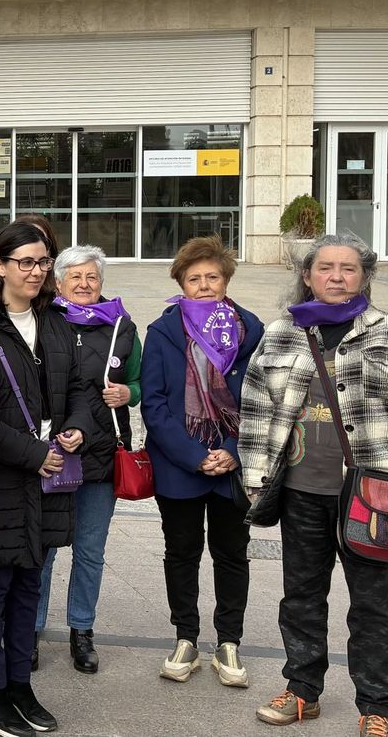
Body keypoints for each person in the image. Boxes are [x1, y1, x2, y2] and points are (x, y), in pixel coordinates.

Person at [242, 234, 388, 737]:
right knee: (300, 596)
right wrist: (254, 476)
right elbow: (255, 409)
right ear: (307, 276)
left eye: (348, 268)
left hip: (372, 497)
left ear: (365, 277)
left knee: (371, 602)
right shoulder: (281, 333)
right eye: (326, 268)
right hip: (301, 491)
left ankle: (376, 706)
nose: (336, 277)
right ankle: (302, 690)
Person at [0, 221, 95, 737]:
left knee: (29, 585)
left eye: (43, 262)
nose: (36, 272)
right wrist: (32, 454)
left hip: (46, 477)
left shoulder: (56, 321)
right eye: (26, 262)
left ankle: (19, 686)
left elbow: (80, 387)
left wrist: (77, 426)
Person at [141, 235, 263, 688]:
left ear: (226, 280)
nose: (205, 285)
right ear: (182, 283)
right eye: (195, 279)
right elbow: (154, 404)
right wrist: (195, 456)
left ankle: (228, 641)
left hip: (234, 463)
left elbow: (260, 399)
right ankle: (186, 637)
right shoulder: (163, 331)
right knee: (182, 552)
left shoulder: (251, 330)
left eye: (213, 277)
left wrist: (230, 450)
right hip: (180, 464)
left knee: (231, 553)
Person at [34, 244, 142, 674]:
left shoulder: (122, 327)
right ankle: (30, 629)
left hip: (101, 452)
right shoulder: (41, 320)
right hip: (51, 452)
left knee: (90, 550)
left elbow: (141, 381)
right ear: (58, 283)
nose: (84, 284)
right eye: (74, 277)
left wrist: (129, 392)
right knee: (42, 549)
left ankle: (82, 630)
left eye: (91, 277)